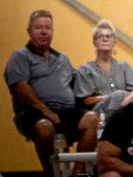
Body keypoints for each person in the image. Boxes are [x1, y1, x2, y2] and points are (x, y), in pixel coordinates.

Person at [3, 9, 99, 175]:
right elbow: (20, 88)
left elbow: (79, 84)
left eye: (48, 28)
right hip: (33, 113)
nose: (44, 31)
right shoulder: (21, 56)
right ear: (29, 31)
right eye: (39, 27)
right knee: (44, 126)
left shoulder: (62, 59)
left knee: (92, 119)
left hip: (65, 111)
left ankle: (78, 172)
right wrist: (45, 111)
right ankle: (50, 174)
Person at [74, 19, 133, 119]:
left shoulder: (125, 67)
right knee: (119, 95)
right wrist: (112, 97)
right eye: (100, 37)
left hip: (126, 110)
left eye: (108, 36)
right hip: (99, 113)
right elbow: (85, 101)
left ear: (114, 41)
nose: (105, 39)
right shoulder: (86, 69)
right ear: (94, 42)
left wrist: (120, 99)